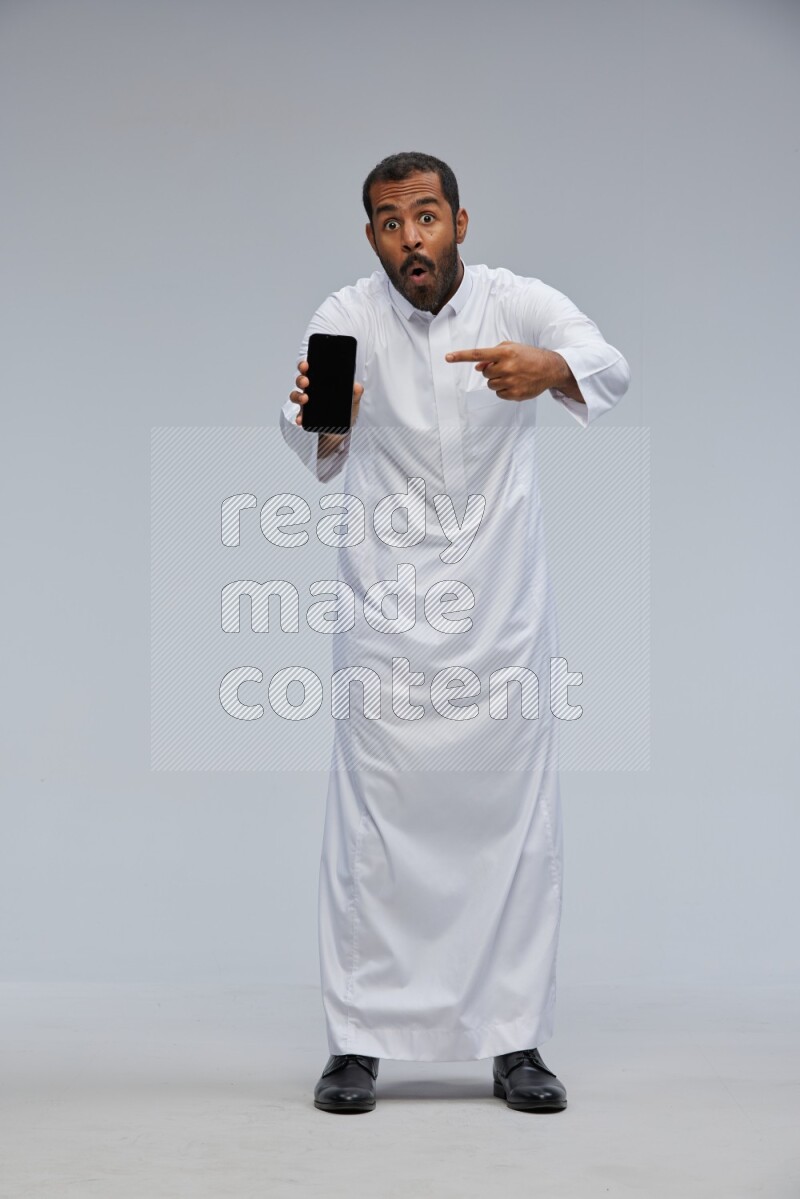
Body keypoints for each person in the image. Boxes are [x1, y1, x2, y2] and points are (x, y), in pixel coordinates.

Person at [280, 151, 630, 1114]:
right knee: (372, 834)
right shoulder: (348, 313)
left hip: (500, 613)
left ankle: (515, 1043)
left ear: (461, 223)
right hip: (388, 620)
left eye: (426, 217)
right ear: (372, 238)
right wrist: (329, 415)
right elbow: (311, 412)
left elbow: (610, 364)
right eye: (390, 223)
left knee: (512, 831)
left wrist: (552, 367)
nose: (411, 240)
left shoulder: (516, 303)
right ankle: (356, 1042)